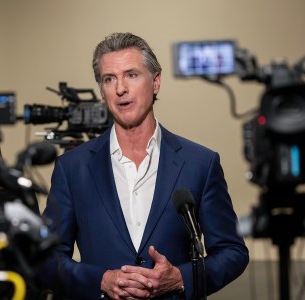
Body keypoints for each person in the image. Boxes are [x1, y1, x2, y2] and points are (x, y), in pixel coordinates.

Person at [37, 32, 249, 300]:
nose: (120, 88)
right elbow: (47, 259)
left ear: (156, 82)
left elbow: (233, 252)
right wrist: (100, 281)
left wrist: (180, 279)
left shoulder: (200, 163)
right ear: (102, 91)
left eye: (132, 75)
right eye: (109, 79)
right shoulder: (72, 169)